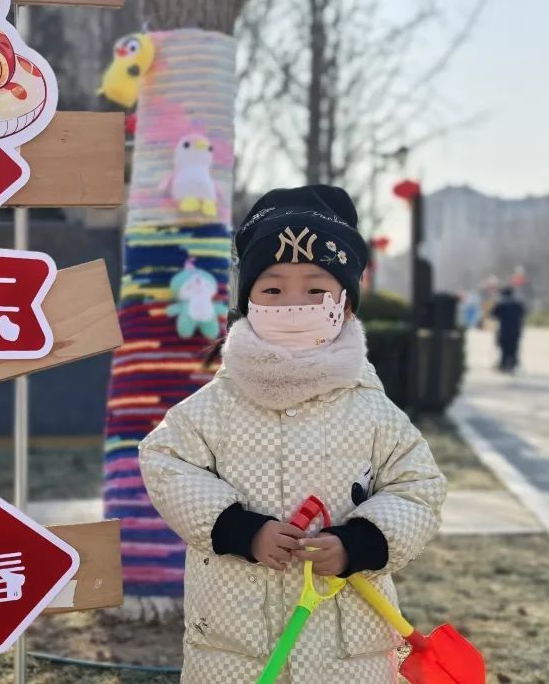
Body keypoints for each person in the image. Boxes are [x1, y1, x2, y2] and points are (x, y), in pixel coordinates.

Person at [139, 185, 446, 684]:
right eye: (273, 290)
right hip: (235, 647)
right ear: (248, 302)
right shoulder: (216, 405)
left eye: (315, 290)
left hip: (350, 649)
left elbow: (419, 487)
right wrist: (240, 530)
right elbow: (164, 460)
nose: (293, 304)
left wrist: (360, 543)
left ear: (346, 304)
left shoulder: (371, 409)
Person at [492, 287, 526, 373]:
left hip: (504, 330)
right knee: (513, 348)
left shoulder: (501, 305)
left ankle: (504, 364)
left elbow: (493, 314)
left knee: (504, 348)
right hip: (515, 330)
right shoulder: (518, 304)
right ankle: (512, 363)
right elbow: (523, 314)